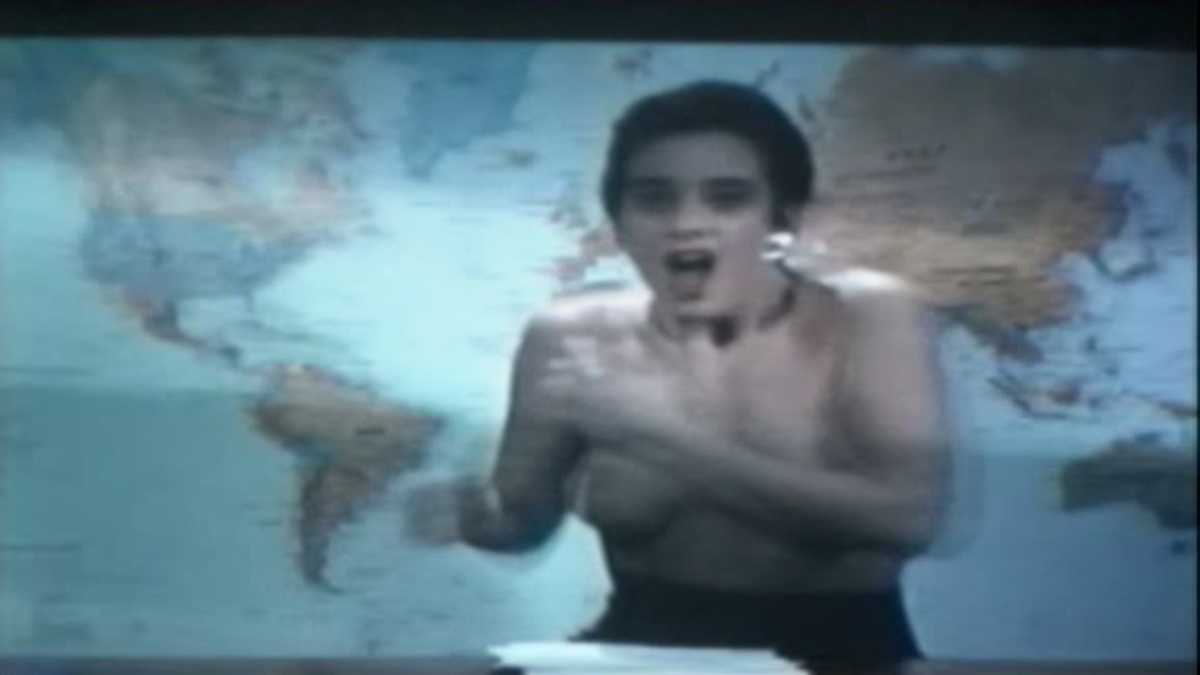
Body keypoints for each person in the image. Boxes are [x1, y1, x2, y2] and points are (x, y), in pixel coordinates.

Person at [406, 80, 950, 675]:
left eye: (727, 198)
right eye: (654, 199)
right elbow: (522, 521)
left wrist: (650, 434)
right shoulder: (570, 337)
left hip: (840, 658)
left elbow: (906, 519)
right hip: (639, 651)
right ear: (620, 224)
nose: (686, 223)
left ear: (781, 220)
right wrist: (476, 519)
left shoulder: (866, 314)